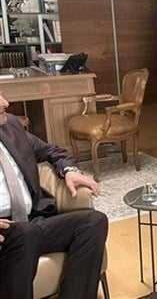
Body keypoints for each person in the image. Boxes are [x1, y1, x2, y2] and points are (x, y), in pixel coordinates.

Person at [0, 93, 107, 299]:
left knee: (93, 222)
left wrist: (69, 171)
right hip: (5, 232)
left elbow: (52, 151)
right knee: (25, 233)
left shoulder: (10, 125)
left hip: (32, 221)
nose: (5, 102)